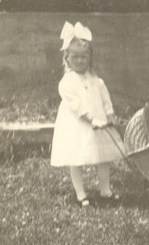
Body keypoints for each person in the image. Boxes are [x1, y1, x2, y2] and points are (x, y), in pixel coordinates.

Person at [49, 21, 123, 207]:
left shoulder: (96, 80)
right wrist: (92, 119)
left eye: (84, 57)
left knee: (103, 157)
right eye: (75, 57)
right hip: (77, 124)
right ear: (67, 58)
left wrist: (110, 115)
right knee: (76, 157)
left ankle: (105, 190)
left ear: (90, 58)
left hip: (99, 124)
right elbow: (76, 107)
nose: (80, 61)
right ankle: (81, 193)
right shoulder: (66, 83)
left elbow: (105, 100)